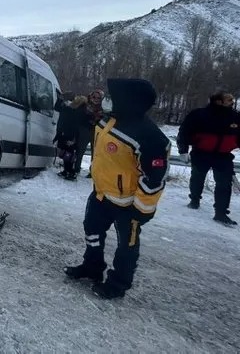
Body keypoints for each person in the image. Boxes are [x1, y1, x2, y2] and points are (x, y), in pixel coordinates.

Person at [65, 78, 170, 299]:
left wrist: (141, 210)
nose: (107, 99)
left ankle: (118, 283)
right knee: (91, 230)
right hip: (101, 194)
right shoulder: (108, 121)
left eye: (113, 96)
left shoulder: (151, 137)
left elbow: (155, 178)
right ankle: (92, 266)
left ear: (128, 101)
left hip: (128, 205)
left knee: (126, 246)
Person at [177, 91, 240, 226]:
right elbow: (184, 131)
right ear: (218, 101)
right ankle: (194, 200)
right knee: (197, 178)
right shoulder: (199, 115)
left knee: (224, 184)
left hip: (223, 156)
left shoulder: (235, 117)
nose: (232, 102)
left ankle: (221, 213)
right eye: (229, 100)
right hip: (201, 153)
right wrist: (183, 150)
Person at [54, 93, 88, 180]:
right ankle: (67, 171)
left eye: (77, 98)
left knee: (68, 153)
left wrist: (73, 139)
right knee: (67, 153)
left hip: (70, 135)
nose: (75, 99)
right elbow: (59, 108)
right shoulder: (75, 109)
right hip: (68, 134)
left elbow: (76, 125)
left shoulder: (78, 111)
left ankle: (70, 172)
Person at [72, 89, 105, 178]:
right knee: (80, 150)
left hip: (97, 131)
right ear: (91, 96)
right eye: (94, 96)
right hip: (84, 129)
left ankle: (93, 171)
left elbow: (104, 119)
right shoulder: (85, 104)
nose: (96, 99)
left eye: (98, 98)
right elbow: (78, 115)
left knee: (95, 153)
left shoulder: (103, 108)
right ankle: (76, 169)